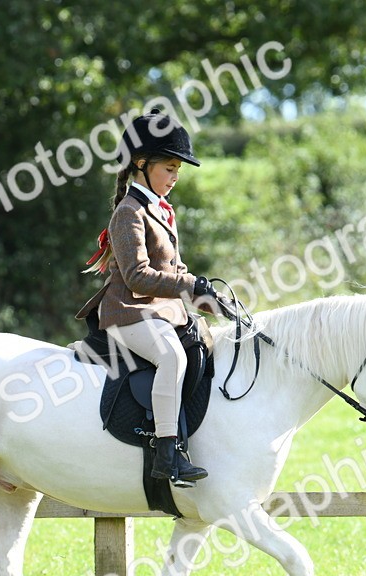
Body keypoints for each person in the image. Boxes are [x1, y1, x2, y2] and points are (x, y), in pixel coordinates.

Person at [76, 112, 216, 485]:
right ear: (142, 164)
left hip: (159, 311)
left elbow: (175, 268)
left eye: (177, 170)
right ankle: (167, 455)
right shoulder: (129, 213)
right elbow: (138, 276)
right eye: (169, 168)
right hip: (129, 313)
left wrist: (203, 293)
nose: (174, 177)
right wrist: (187, 285)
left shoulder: (161, 210)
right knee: (170, 356)